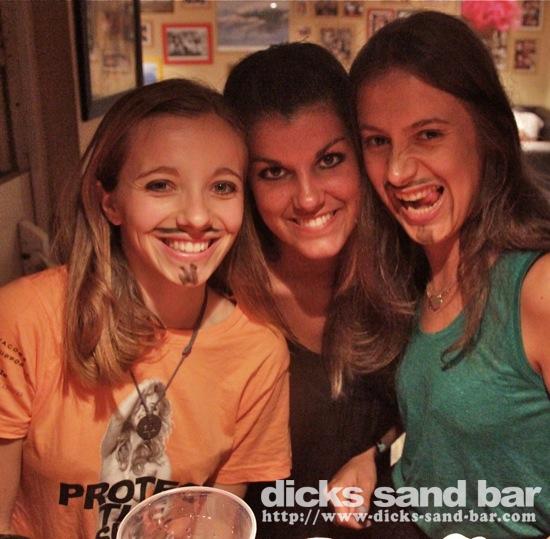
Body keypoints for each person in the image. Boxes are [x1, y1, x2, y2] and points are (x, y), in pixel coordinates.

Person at [0, 79, 291, 539]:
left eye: (221, 186)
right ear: (110, 202)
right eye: (161, 185)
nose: (197, 217)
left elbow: (218, 522)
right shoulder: (24, 318)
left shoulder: (258, 352)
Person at [350, 11, 550, 538]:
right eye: (377, 141)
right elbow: (449, 409)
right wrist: (374, 454)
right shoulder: (416, 270)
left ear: (487, 134)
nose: (398, 171)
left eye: (429, 134)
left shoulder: (538, 287)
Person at [225, 43, 416, 538]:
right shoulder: (219, 301)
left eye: (329, 160)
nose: (308, 198)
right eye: (274, 172)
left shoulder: (411, 270)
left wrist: (378, 451)